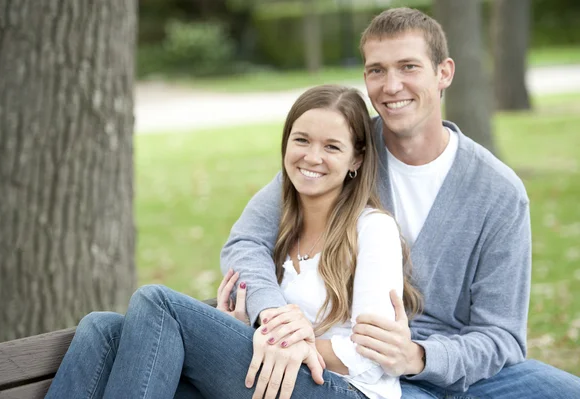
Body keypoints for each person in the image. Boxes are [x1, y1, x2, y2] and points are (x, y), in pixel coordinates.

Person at [221, 7, 580, 399]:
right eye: (377, 70)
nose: (391, 86)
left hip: (448, 359)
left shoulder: (499, 193)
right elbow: (245, 242)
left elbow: (502, 336)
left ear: (444, 73)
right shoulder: (343, 152)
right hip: (355, 360)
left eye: (408, 67)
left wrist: (418, 357)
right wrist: (273, 315)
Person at [45, 84, 421, 399]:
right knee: (102, 328)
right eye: (301, 140)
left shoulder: (373, 230)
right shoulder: (281, 225)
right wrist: (248, 333)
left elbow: (372, 355)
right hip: (277, 375)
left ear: (356, 158)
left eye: (332, 147)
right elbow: (243, 253)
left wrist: (290, 345)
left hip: (343, 388)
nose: (312, 157)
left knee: (157, 303)